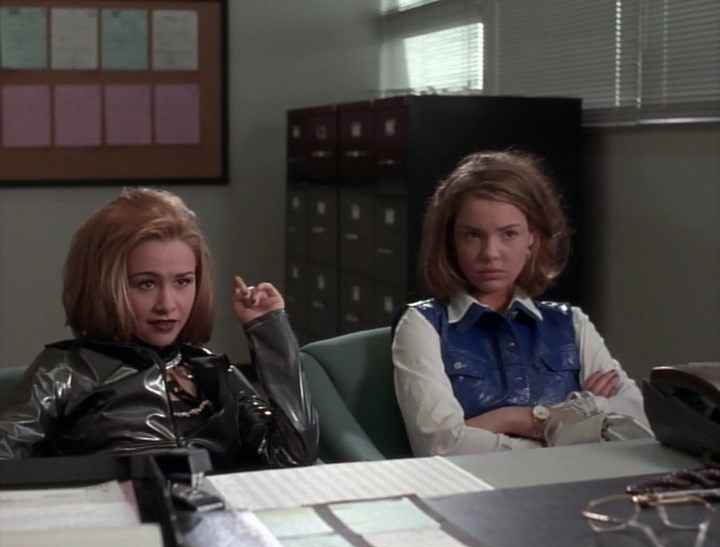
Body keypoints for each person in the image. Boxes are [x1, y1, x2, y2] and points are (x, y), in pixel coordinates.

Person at [0, 188, 318, 470]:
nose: (167, 304)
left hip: (213, 514)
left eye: (183, 282)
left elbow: (293, 457)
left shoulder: (211, 370)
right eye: (146, 284)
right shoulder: (65, 370)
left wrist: (270, 330)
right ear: (103, 285)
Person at [393, 151, 650, 457]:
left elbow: (638, 426)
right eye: (473, 235)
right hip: (473, 486)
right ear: (451, 241)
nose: (490, 253)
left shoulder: (571, 322)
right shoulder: (422, 324)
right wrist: (545, 419)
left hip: (580, 482)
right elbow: (440, 446)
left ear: (532, 238)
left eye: (509, 234)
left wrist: (492, 424)